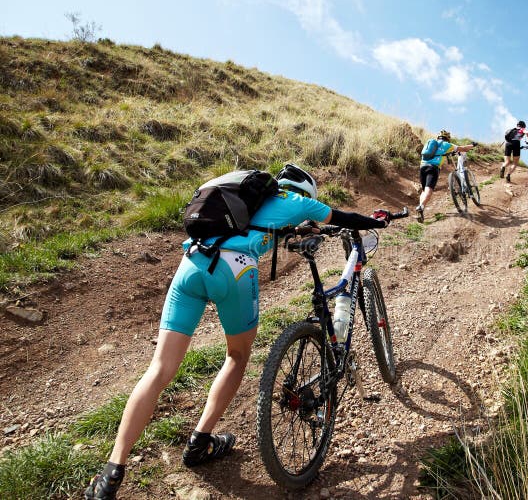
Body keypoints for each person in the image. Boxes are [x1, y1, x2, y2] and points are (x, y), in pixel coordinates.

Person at [84, 164, 391, 500]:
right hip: (234, 271)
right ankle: (200, 441)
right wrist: (377, 221)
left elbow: (270, 234)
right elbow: (344, 217)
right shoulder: (297, 201)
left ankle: (112, 472)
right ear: (306, 192)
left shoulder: (245, 202)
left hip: (191, 262)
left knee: (160, 369)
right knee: (236, 357)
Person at [416, 129, 475, 222]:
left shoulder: (431, 143)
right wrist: (472, 145)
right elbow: (463, 149)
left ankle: (421, 209)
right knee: (429, 190)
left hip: (423, 166)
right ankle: (421, 206)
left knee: (424, 190)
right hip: (433, 168)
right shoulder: (447, 145)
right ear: (447, 138)